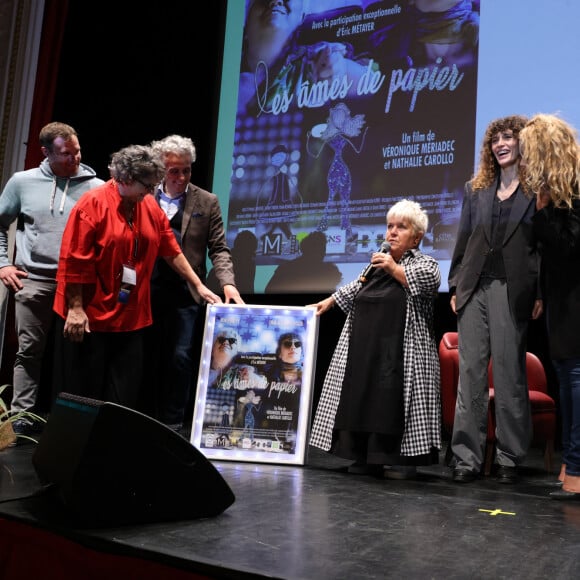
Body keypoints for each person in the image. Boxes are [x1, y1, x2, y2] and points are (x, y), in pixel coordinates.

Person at [52, 144, 223, 410]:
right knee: (86, 394)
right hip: (91, 316)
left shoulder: (148, 206)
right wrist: (75, 308)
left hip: (130, 315)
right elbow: (74, 261)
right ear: (125, 179)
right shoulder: (92, 204)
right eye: (147, 185)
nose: (151, 191)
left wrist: (197, 284)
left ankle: (115, 449)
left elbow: (171, 250)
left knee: (124, 396)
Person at [309, 199, 441, 478]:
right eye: (389, 226)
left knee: (392, 401)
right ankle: (363, 456)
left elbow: (427, 283)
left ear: (416, 237)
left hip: (400, 352)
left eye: (401, 228)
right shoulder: (376, 266)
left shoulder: (425, 263)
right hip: (365, 349)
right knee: (362, 396)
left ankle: (401, 459)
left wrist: (392, 267)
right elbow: (357, 287)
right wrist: (330, 301)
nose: (391, 232)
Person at [448, 115, 543, 484]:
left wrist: (540, 293)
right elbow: (463, 242)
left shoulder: (537, 190)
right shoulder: (476, 189)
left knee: (508, 373)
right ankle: (466, 458)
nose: (501, 144)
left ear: (523, 144)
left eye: (509, 137)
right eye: (495, 140)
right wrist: (456, 284)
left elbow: (541, 251)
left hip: (512, 289)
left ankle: (510, 458)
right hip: (474, 288)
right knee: (470, 374)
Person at [0, 122, 103, 437]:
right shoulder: (23, 182)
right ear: (45, 152)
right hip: (33, 280)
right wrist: (3, 263)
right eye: (65, 154)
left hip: (79, 284)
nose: (74, 158)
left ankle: (74, 422)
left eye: (77, 151)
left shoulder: (97, 187)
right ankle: (21, 417)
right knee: (29, 352)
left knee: (78, 354)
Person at [144, 134, 243, 432]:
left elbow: (219, 248)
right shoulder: (145, 197)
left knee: (180, 356)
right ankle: (143, 417)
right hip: (145, 289)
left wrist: (228, 283)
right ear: (161, 169)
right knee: (145, 355)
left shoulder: (206, 201)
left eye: (186, 170)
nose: (181, 176)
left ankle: (173, 421)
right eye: (174, 170)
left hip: (186, 292)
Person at [518, 113, 580, 500]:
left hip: (577, 298)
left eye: (529, 152)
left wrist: (541, 211)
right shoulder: (556, 195)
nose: (524, 160)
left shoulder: (574, 192)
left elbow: (570, 246)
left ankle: (576, 465)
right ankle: (570, 462)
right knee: (567, 374)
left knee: (576, 378)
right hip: (562, 297)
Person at [265, 231, 343, 293]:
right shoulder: (329, 270)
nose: (323, 253)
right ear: (305, 249)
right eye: (320, 249)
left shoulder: (285, 267)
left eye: (323, 249)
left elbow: (268, 290)